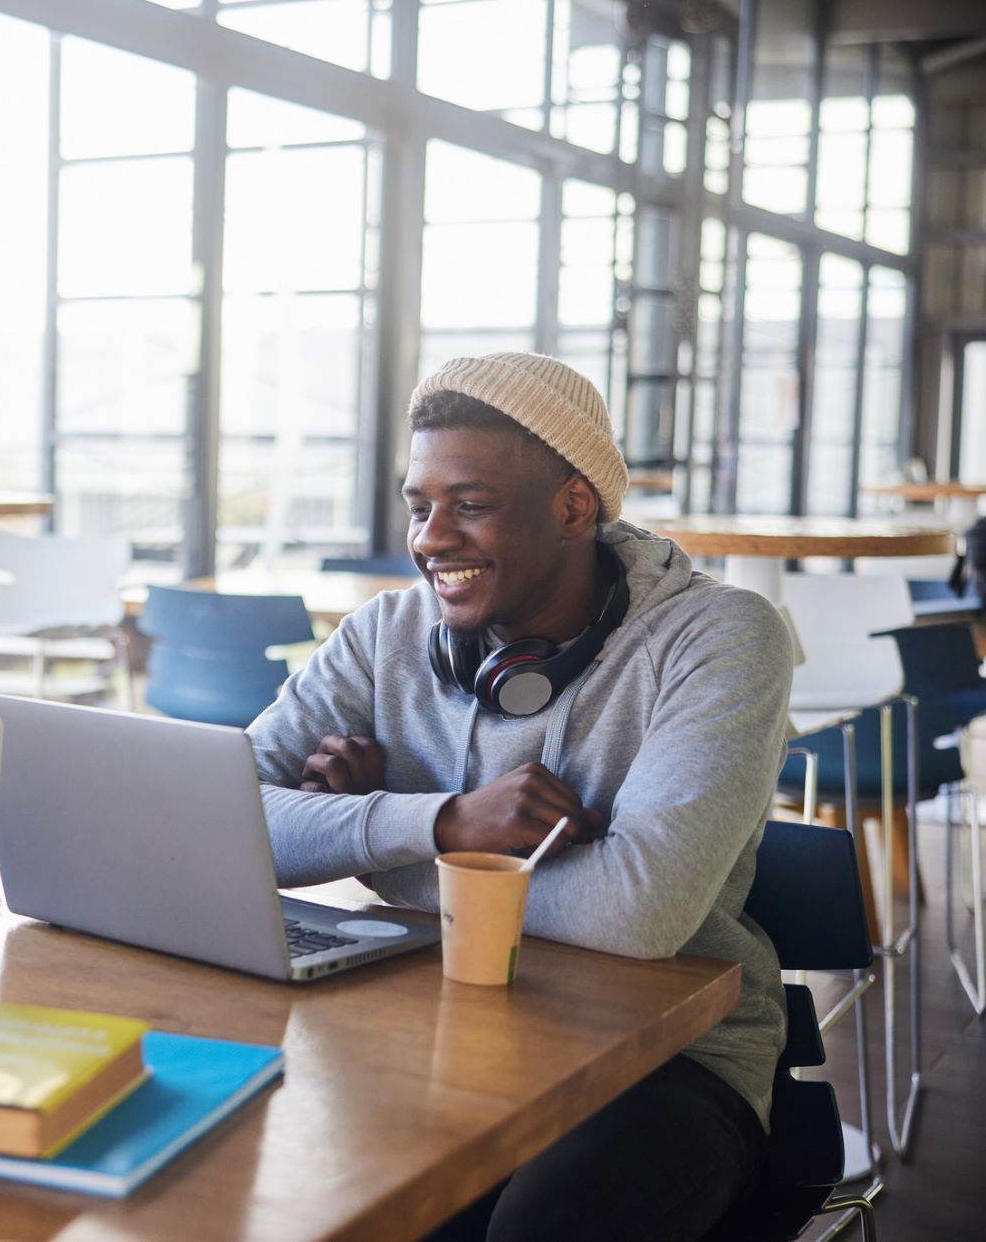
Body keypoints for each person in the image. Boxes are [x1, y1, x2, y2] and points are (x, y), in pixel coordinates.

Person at [247, 352, 792, 1241]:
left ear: (574, 506)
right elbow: (223, 821)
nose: (429, 537)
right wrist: (440, 818)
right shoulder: (384, 632)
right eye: (419, 506)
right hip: (423, 1019)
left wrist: (377, 853)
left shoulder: (720, 637)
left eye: (470, 504)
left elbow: (638, 913)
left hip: (668, 1065)